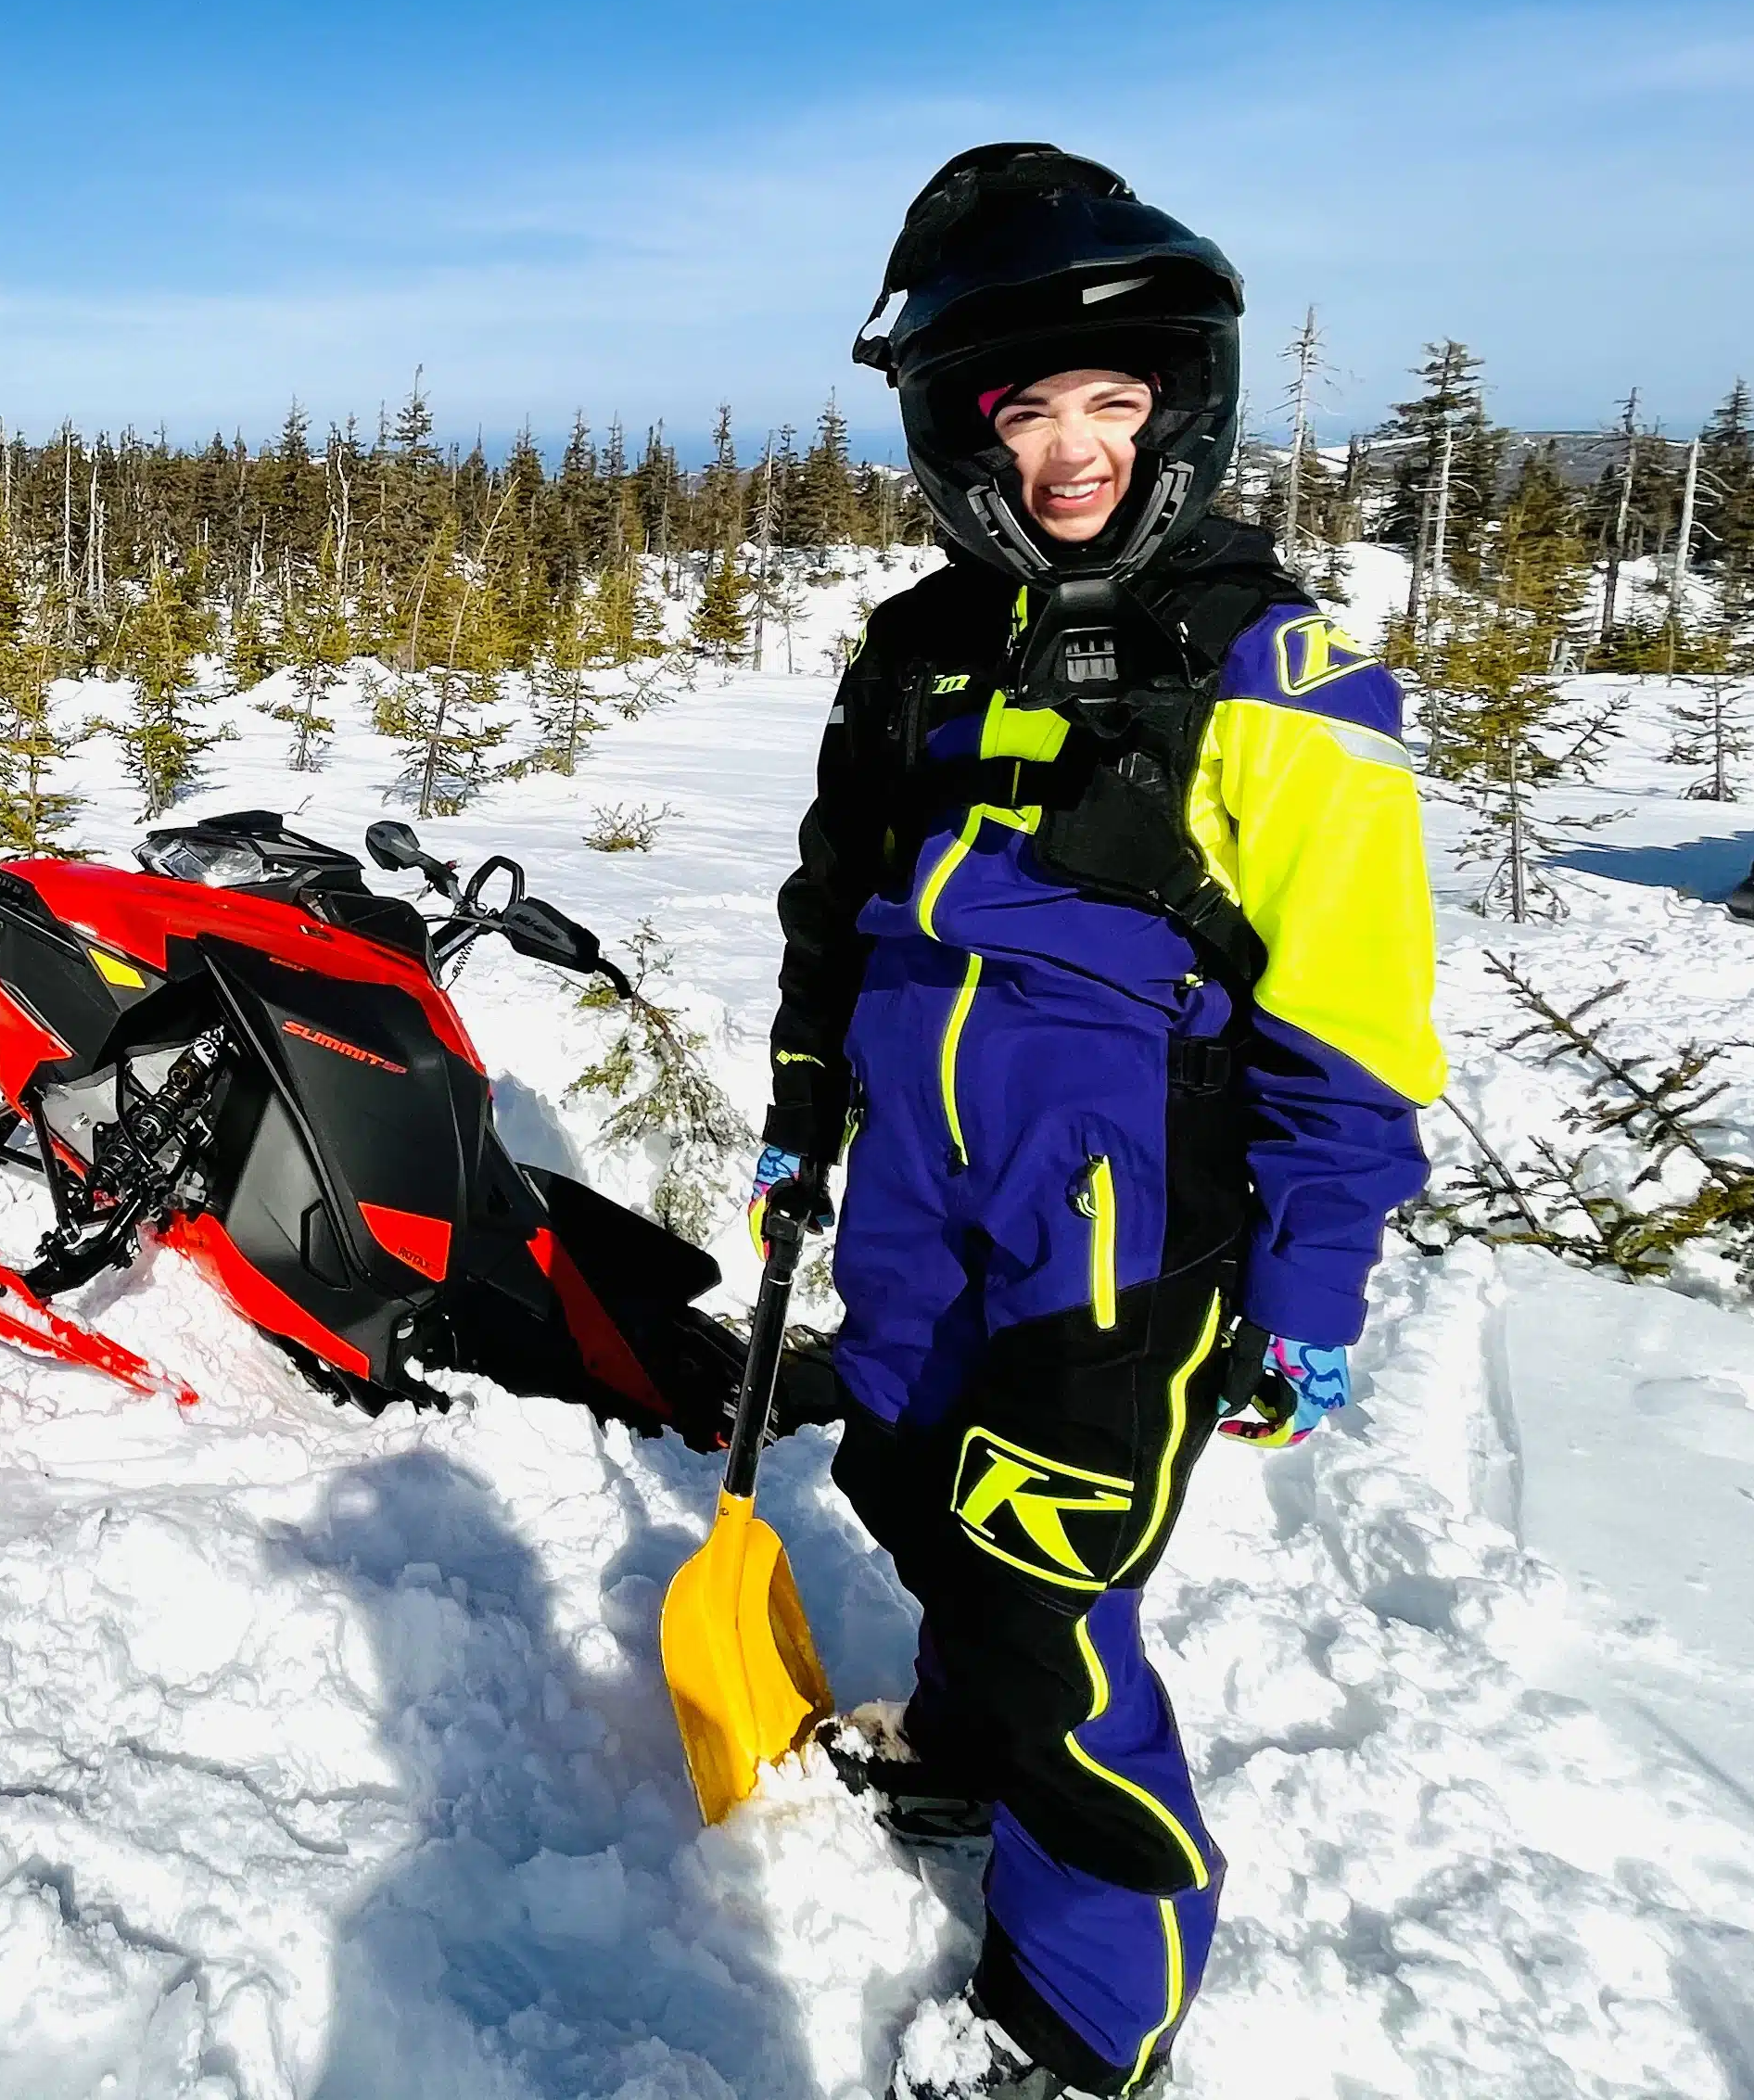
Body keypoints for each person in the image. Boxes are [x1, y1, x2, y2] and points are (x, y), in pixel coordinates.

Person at [752, 145, 1443, 2098]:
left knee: (1050, 1605)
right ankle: (964, 1756)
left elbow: (1356, 1027)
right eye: (1028, 412)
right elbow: (835, 901)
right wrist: (804, 1104)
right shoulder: (916, 650)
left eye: (1112, 406)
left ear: (1180, 408)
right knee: (903, 1475)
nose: (1071, 456)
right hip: (915, 1193)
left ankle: (1083, 2011)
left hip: (1121, 1239)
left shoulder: (1279, 675)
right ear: (961, 434)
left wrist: (1313, 1281)